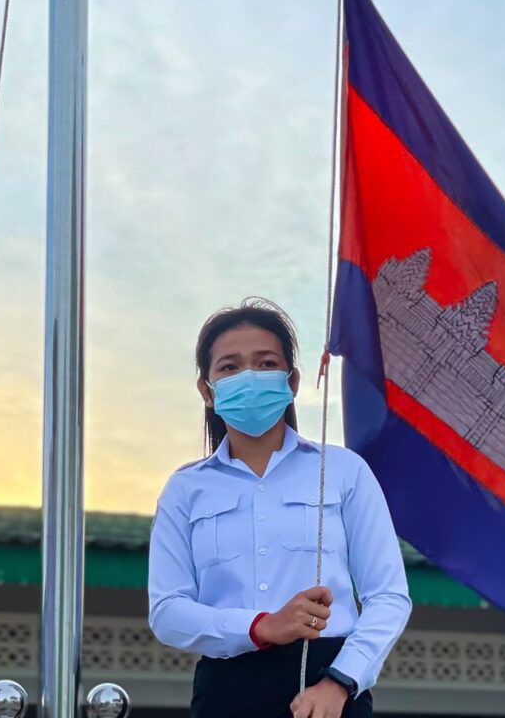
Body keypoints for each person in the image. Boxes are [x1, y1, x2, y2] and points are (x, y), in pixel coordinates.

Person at [148, 300, 411, 718]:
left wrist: (340, 682)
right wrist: (261, 627)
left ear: (292, 381)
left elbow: (388, 596)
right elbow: (167, 612)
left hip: (328, 689)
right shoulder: (186, 489)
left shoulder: (343, 471)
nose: (249, 377)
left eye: (266, 363)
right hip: (226, 693)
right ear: (207, 390)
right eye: (230, 367)